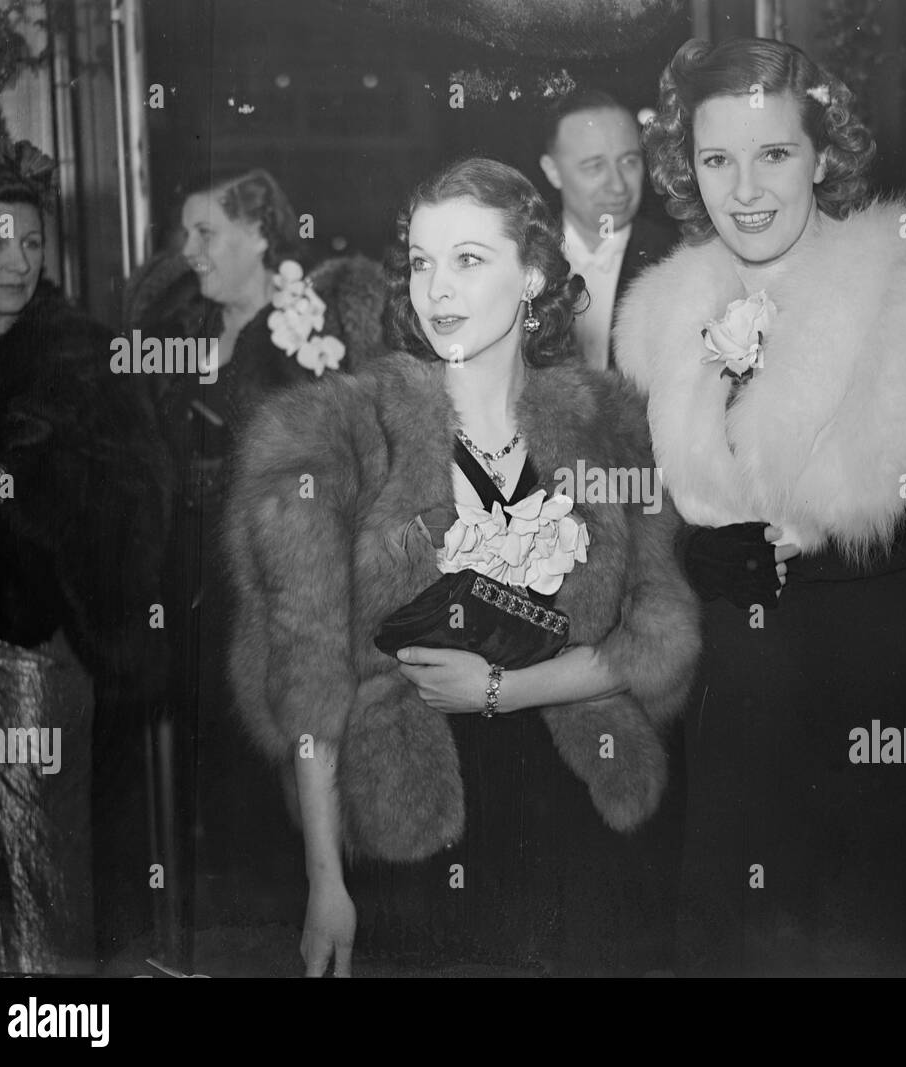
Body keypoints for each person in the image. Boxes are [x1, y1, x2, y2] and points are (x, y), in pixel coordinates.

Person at [615, 38, 906, 976]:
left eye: (774, 153)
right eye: (716, 158)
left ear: (824, 153)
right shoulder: (661, 319)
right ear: (685, 168)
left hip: (882, 760)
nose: (745, 188)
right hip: (731, 760)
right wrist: (688, 561)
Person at [224, 158, 700, 976]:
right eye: (420, 261)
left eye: (470, 260)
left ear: (535, 274)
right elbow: (305, 684)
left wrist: (505, 687)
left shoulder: (612, 430)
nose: (437, 288)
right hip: (411, 827)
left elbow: (655, 640)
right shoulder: (338, 440)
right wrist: (323, 880)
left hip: (575, 817)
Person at [130, 168, 388, 969]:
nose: (190, 250)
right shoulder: (178, 325)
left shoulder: (308, 335)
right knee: (220, 800)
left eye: (206, 232)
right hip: (189, 599)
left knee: (303, 782)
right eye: (186, 233)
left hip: (280, 598)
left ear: (257, 234)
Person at [0, 138, 167, 973]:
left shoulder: (74, 354)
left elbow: (72, 493)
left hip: (35, 651)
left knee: (38, 888)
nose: (18, 262)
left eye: (32, 242)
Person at [539, 90, 675, 370]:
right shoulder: (525, 257)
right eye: (594, 166)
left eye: (629, 161)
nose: (618, 185)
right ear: (553, 171)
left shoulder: (676, 255)